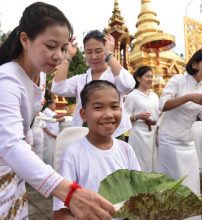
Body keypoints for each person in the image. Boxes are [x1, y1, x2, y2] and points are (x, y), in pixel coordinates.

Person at [0, 2, 114, 219]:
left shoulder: (41, 75)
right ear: (25, 40)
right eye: (50, 46)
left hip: (16, 173)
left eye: (63, 49)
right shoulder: (6, 79)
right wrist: (69, 193)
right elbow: (11, 144)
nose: (59, 56)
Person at [53, 80, 141, 219]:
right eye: (98, 108)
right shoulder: (73, 154)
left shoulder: (126, 150)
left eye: (114, 107)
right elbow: (60, 214)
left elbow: (138, 194)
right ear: (83, 114)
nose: (108, 114)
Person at [157, 48, 202, 220]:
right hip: (170, 139)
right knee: (173, 185)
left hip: (189, 142)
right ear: (194, 64)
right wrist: (189, 97)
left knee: (190, 186)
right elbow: (163, 105)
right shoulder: (178, 80)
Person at [51, 29, 135, 138]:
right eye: (89, 52)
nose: (93, 57)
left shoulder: (115, 75)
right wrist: (67, 57)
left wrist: (109, 55)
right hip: (84, 133)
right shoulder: (80, 79)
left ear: (106, 49)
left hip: (113, 132)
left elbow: (128, 85)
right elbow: (58, 88)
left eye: (99, 51)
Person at [124, 66, 160, 172]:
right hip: (139, 134)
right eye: (147, 76)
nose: (150, 79)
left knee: (154, 161)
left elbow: (157, 114)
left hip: (153, 133)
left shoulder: (154, 96)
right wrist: (137, 116)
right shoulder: (132, 96)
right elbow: (124, 118)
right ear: (139, 78)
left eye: (151, 76)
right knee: (141, 162)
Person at [43, 100, 65, 166]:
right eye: (54, 104)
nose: (55, 106)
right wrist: (67, 113)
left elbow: (55, 120)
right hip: (49, 135)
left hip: (54, 135)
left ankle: (51, 165)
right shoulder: (47, 111)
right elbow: (55, 117)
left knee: (53, 152)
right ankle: (47, 165)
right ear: (50, 105)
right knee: (49, 152)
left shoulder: (51, 112)